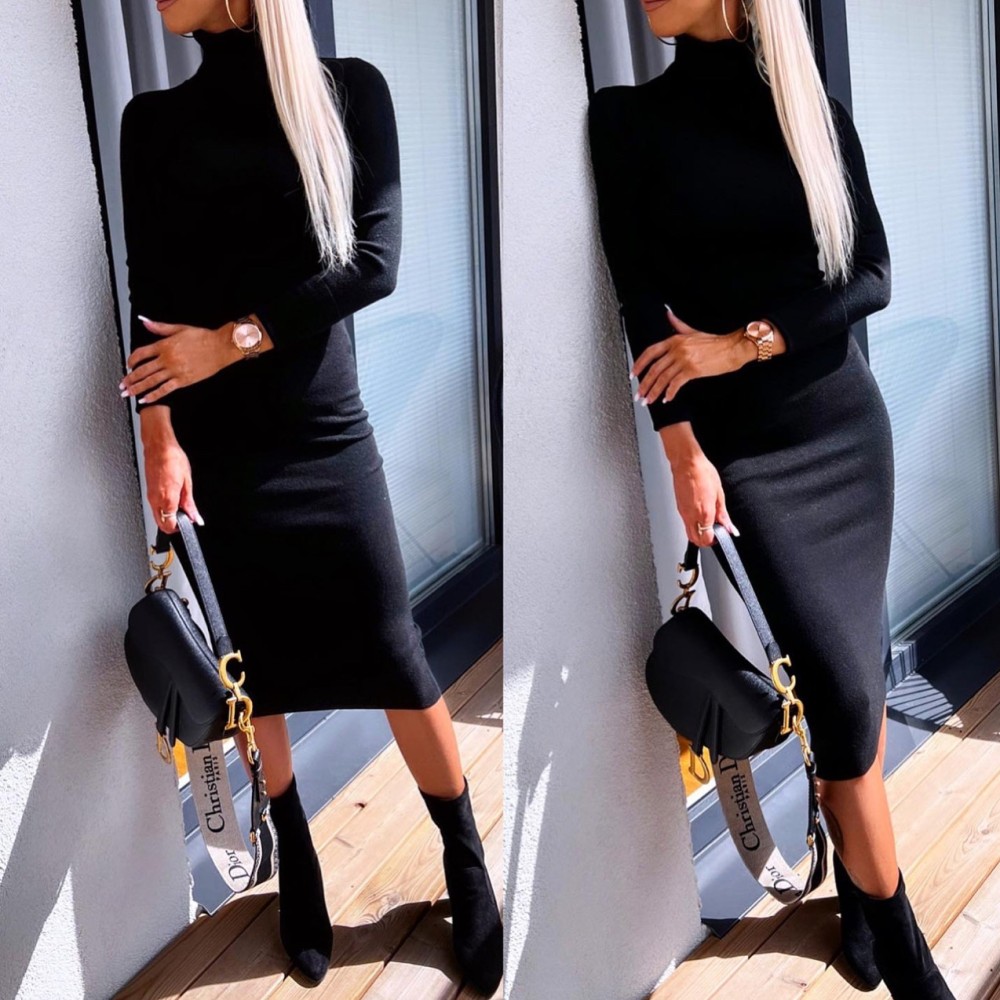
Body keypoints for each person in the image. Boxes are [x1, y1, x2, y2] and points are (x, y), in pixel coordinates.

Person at [116, 0, 502, 992]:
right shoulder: (152, 122)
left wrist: (229, 341)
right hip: (216, 446)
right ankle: (296, 855)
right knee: (260, 667)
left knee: (394, 651)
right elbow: (150, 298)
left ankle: (463, 851)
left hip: (324, 431)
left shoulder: (347, 93)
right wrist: (159, 438)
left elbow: (372, 262)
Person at [587, 2, 953, 997]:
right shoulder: (625, 120)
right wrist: (681, 454)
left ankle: (863, 899)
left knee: (852, 681)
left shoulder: (807, 108)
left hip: (845, 433)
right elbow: (636, 301)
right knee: (839, 687)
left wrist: (740, 343)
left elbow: (869, 275)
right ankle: (905, 947)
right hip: (744, 458)